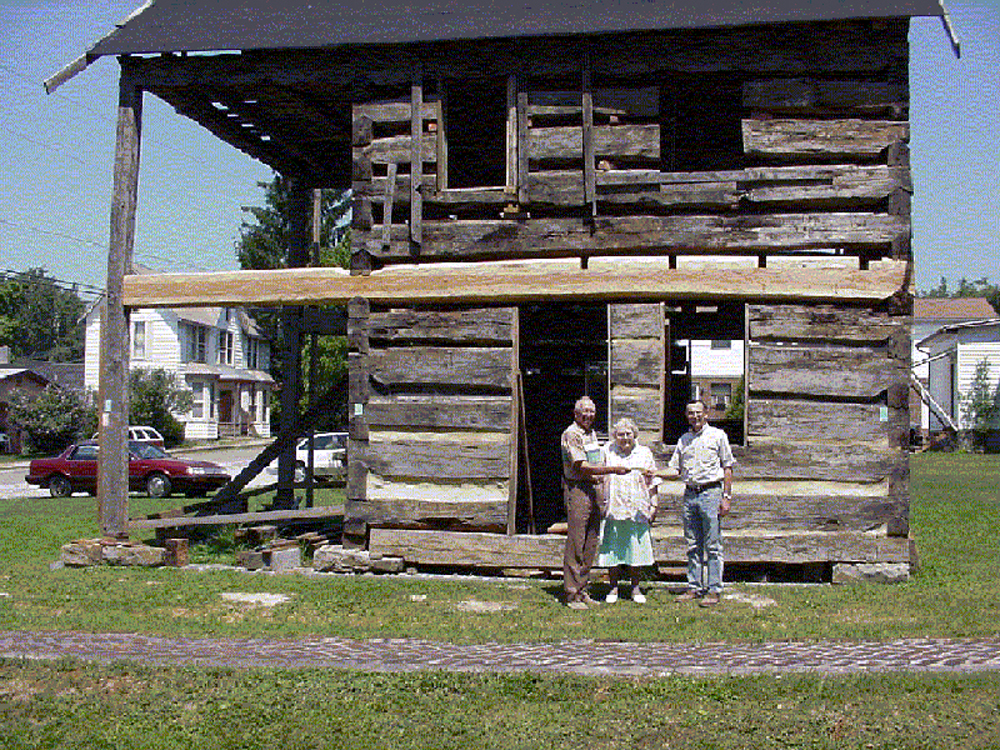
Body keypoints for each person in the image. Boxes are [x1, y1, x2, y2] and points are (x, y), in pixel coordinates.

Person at [652, 400, 735, 607]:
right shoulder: (684, 440)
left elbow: (728, 467)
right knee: (692, 544)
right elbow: (675, 470)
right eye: (691, 413)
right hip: (690, 495)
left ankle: (714, 589)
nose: (695, 416)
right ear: (687, 415)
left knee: (713, 545)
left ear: (706, 414)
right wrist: (654, 473)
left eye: (698, 412)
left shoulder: (718, 436)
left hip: (711, 493)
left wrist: (726, 497)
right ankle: (695, 586)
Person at [561, 396, 629, 610]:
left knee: (591, 541)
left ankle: (583, 590)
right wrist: (613, 470)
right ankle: (571, 594)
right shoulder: (571, 434)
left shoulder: (590, 434)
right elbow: (582, 466)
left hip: (594, 489)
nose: (589, 415)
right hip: (578, 489)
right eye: (584, 411)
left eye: (591, 411)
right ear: (576, 414)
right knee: (576, 542)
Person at [596, 418, 657, 604]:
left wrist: (654, 504)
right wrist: (600, 503)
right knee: (612, 549)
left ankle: (635, 588)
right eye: (620, 434)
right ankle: (613, 588)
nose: (624, 438)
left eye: (628, 434)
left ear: (634, 435)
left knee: (635, 549)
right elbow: (598, 475)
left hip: (637, 508)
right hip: (613, 506)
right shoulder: (607, 450)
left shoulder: (644, 452)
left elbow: (652, 480)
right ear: (615, 436)